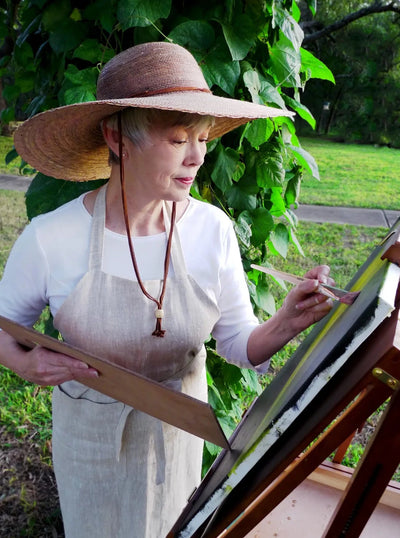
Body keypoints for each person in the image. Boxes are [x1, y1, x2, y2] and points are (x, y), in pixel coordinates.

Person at [0, 42, 334, 537]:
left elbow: (240, 346)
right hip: (88, 440)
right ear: (117, 138)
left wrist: (285, 322)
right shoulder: (52, 238)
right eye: (179, 139)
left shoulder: (212, 230)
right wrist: (24, 362)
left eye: (203, 138)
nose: (198, 156)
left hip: (178, 436)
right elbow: (4, 329)